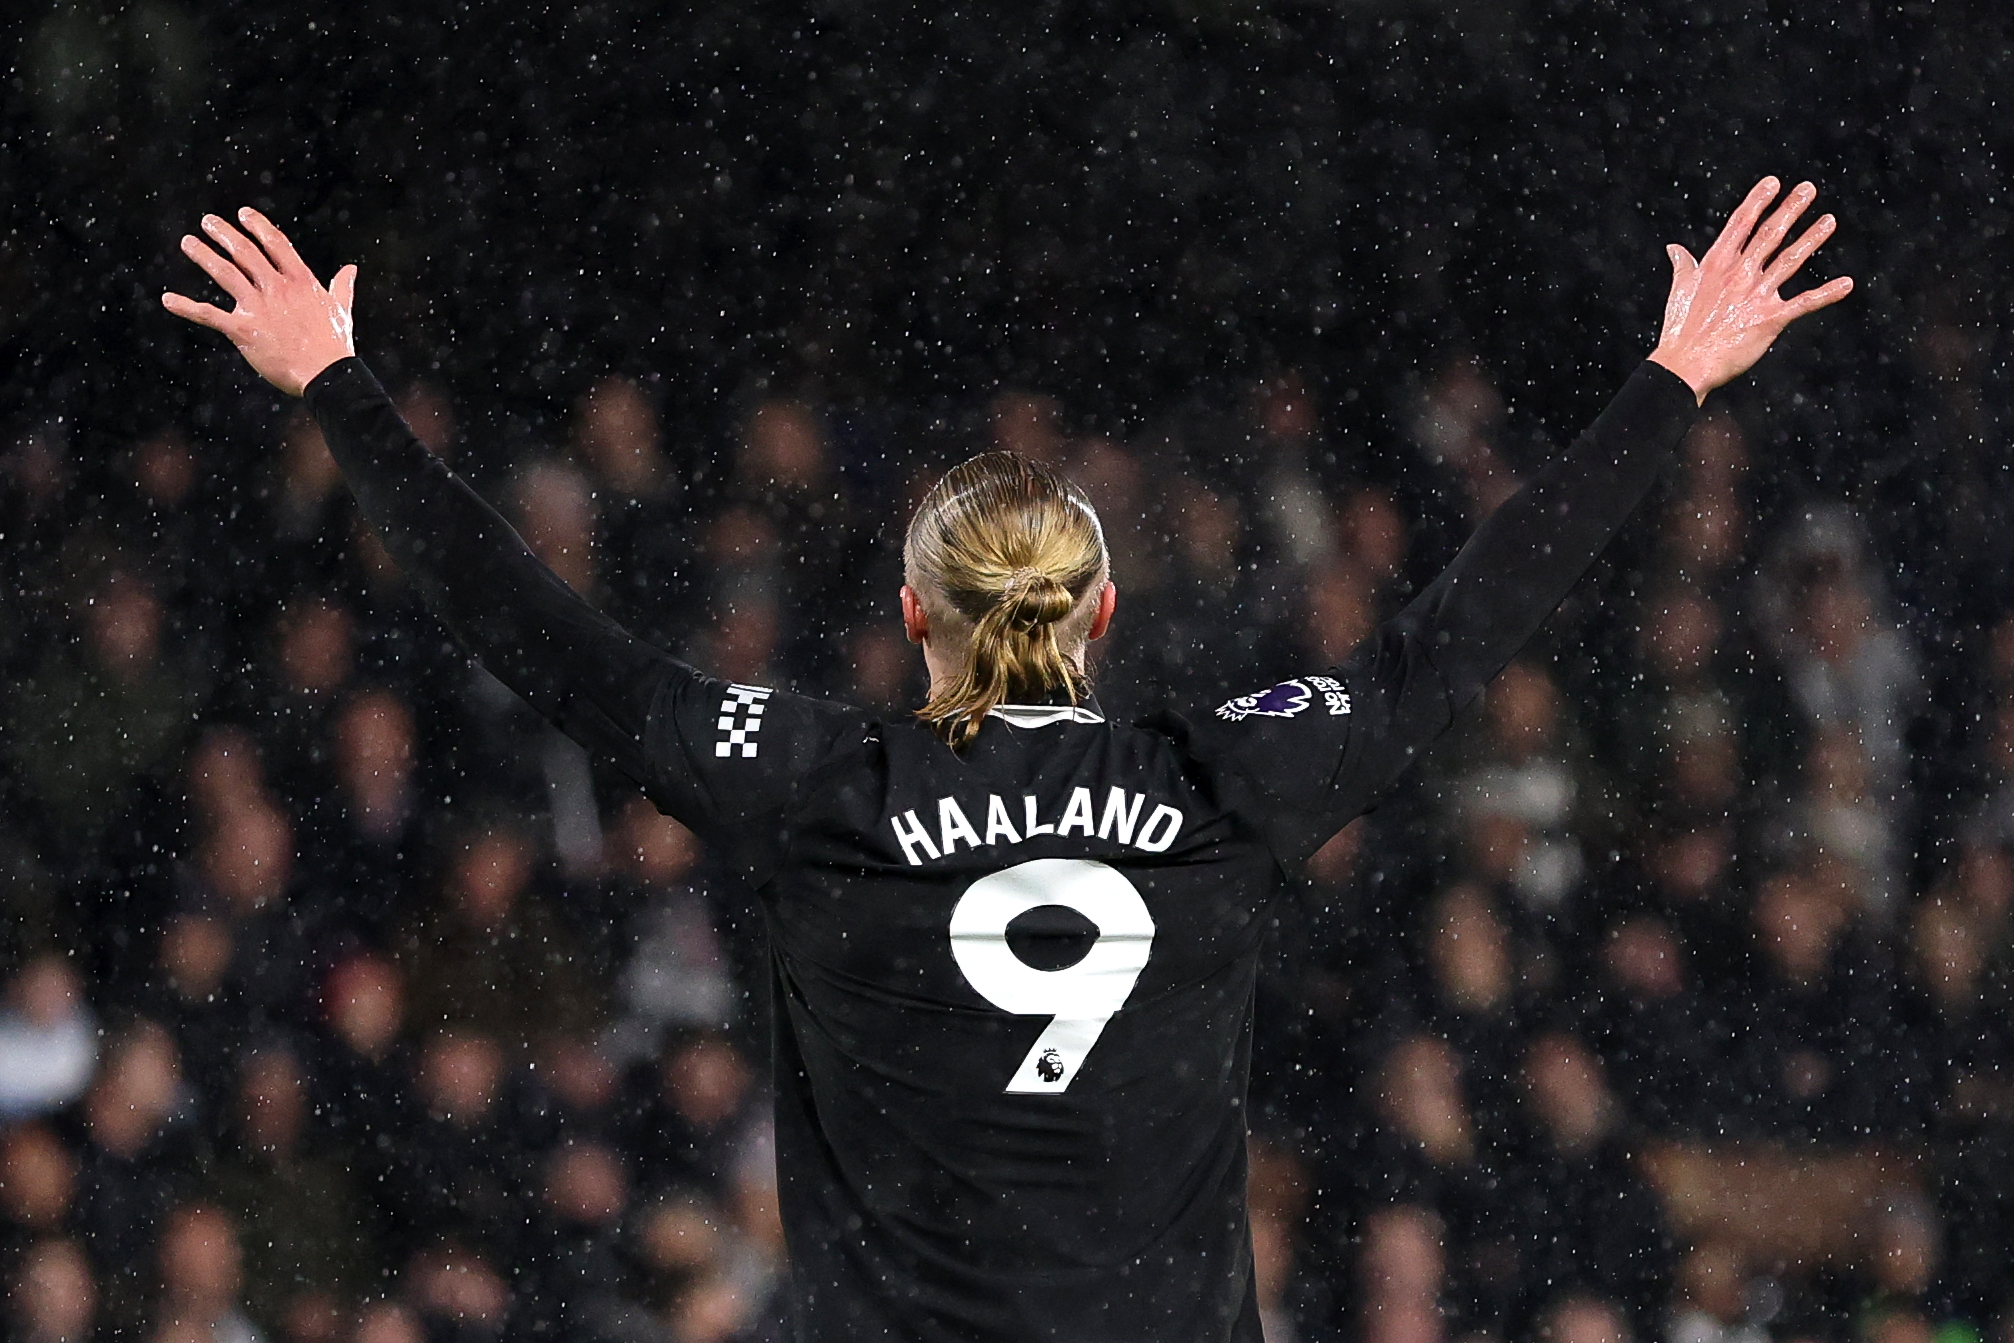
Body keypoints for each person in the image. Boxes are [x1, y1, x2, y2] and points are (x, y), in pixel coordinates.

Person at [163, 176, 1850, 1343]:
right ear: (1106, 611)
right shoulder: (1216, 784)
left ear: (908, 613)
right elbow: (1461, 626)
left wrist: (335, 382)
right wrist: (1669, 379)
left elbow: (533, 631)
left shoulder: (816, 782)